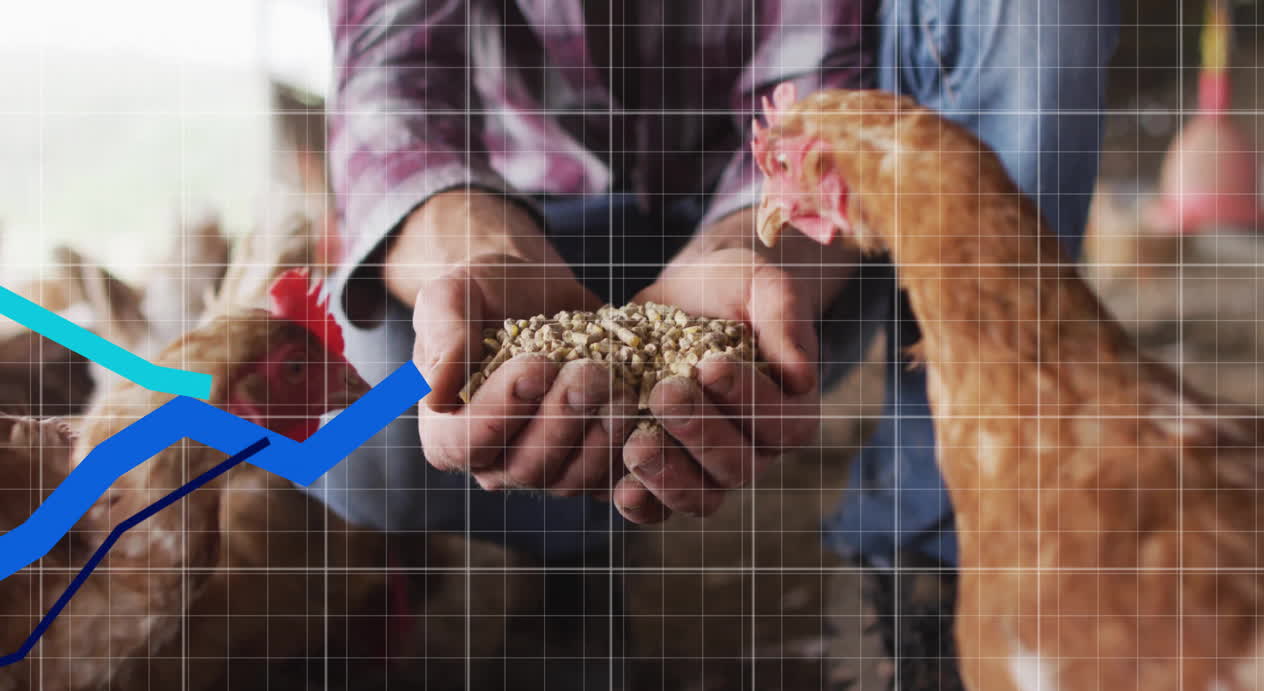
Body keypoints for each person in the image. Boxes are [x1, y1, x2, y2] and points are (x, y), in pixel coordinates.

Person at [312, 0, 1120, 571]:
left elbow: (815, 73)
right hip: (529, 215)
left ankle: (937, 544)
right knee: (359, 448)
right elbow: (387, 77)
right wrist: (478, 243)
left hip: (759, 228)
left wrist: (746, 243)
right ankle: (572, 552)